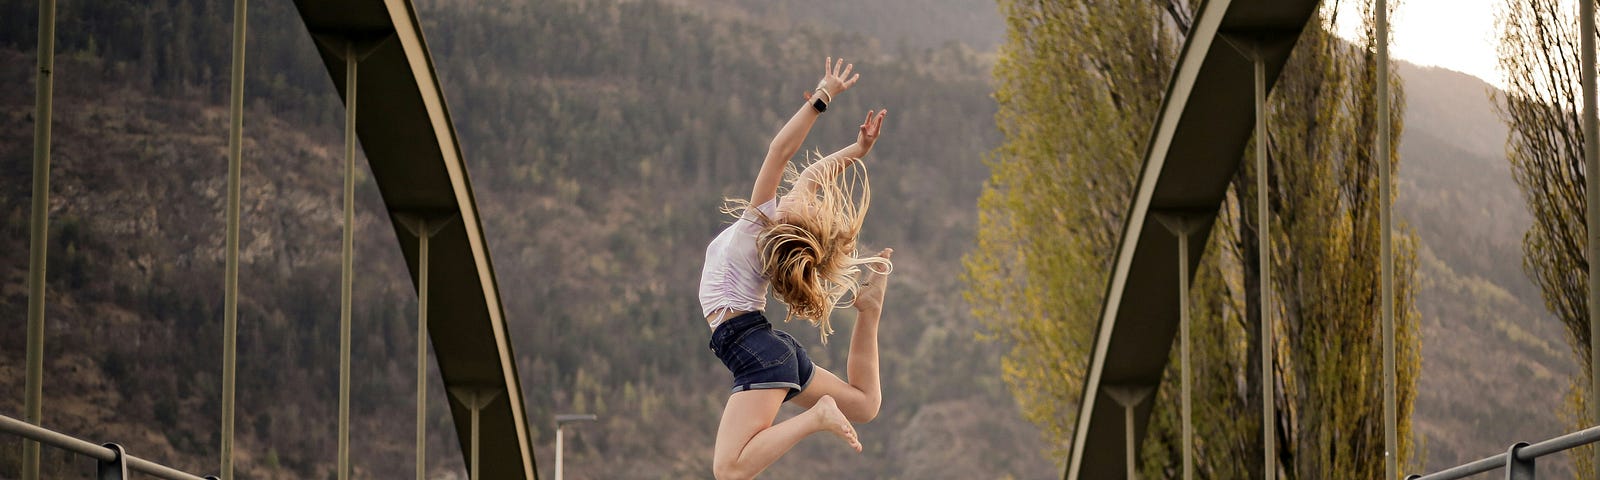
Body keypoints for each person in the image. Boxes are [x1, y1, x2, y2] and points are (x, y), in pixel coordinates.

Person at [700, 57, 893, 480]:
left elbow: (781, 152)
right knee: (864, 404)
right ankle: (870, 309)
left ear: (786, 218)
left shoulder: (758, 224)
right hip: (769, 346)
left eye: (798, 200)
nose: (798, 190)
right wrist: (857, 151)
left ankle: (815, 417)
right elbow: (811, 174)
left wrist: (821, 96)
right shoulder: (770, 233)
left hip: (754, 349)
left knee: (729, 470)